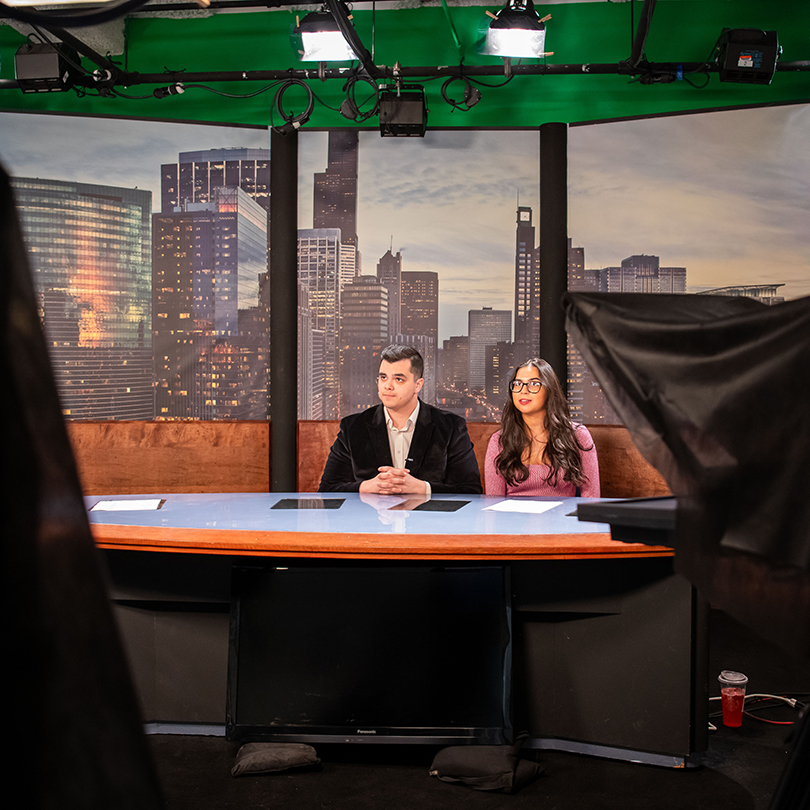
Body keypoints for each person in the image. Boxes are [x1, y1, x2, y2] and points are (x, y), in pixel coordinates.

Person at [319, 344, 482, 495]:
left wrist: (423, 488)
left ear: (418, 385)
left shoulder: (450, 427)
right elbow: (328, 488)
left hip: (429, 523)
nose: (387, 386)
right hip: (369, 523)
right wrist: (367, 487)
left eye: (398, 379)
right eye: (383, 377)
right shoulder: (353, 427)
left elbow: (470, 490)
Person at [485, 357, 600, 497]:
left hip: (561, 518)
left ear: (549, 390)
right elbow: (493, 502)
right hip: (512, 518)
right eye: (517, 384)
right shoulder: (499, 441)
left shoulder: (578, 435)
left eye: (533, 384)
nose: (523, 390)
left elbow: (591, 498)